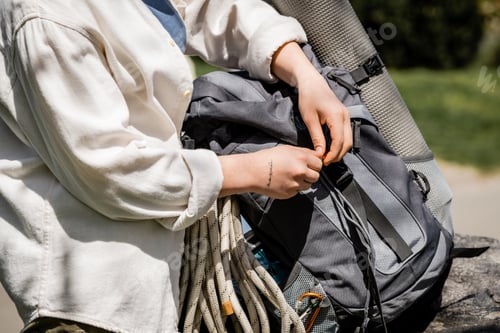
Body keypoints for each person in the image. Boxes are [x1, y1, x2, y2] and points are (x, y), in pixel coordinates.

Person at [0, 0, 352, 332]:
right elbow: (109, 170)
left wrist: (304, 75)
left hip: (161, 286)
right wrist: (254, 171)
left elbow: (204, 8)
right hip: (90, 302)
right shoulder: (45, 16)